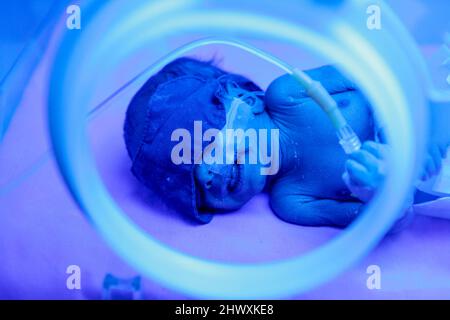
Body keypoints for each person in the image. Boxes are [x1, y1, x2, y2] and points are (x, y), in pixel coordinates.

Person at [124, 57, 449, 227]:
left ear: (243, 102)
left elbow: (382, 74)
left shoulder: (290, 93)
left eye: (202, 149)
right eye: (200, 194)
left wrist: (411, 133)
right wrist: (385, 194)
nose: (208, 178)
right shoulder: (293, 201)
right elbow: (384, 227)